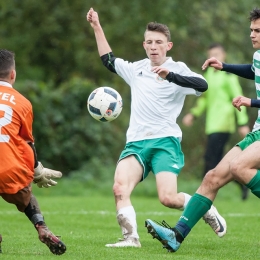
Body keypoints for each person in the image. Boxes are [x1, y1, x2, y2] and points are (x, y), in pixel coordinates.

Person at [86, 7, 227, 248]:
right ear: (144, 45)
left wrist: (170, 76)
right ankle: (130, 238)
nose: (153, 46)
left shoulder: (178, 69)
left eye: (159, 42)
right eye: (149, 42)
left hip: (165, 141)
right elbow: (109, 60)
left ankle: (204, 206)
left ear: (168, 46)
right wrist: (97, 27)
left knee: (168, 198)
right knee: (119, 187)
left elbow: (202, 85)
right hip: (136, 143)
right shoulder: (136, 69)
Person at [145, 7, 260, 253]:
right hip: (257, 130)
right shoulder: (258, 56)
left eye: (257, 31)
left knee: (240, 167)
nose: (252, 35)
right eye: (251, 30)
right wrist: (225, 66)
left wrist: (250, 102)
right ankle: (176, 235)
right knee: (212, 178)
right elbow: (253, 71)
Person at [0, 49, 66, 255]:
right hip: (9, 169)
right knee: (27, 196)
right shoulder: (23, 103)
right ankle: (41, 227)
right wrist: (36, 171)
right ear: (13, 74)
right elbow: (27, 143)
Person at [182, 43, 250, 200]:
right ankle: (242, 181)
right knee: (217, 161)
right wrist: (193, 114)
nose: (214, 58)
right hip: (211, 124)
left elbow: (239, 98)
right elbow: (204, 100)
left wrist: (243, 123)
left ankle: (202, 195)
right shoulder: (209, 76)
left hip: (224, 123)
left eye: (217, 55)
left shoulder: (228, 76)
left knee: (210, 159)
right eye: (211, 55)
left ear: (223, 56)